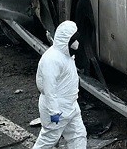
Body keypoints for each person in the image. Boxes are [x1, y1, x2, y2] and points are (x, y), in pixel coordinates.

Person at [32, 21, 87, 149]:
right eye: (73, 40)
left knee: (78, 135)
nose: (76, 44)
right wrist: (54, 112)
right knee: (48, 140)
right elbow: (49, 89)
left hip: (71, 105)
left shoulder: (66, 55)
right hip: (58, 109)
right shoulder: (52, 60)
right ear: (66, 41)